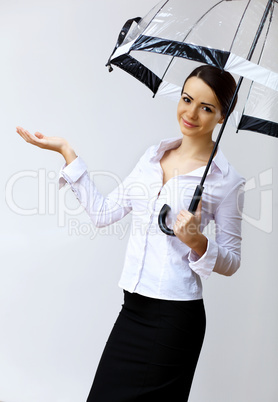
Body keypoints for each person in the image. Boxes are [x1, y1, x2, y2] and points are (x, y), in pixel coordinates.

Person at [16, 65, 245, 401]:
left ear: (221, 117)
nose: (191, 113)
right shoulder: (152, 158)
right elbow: (103, 213)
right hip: (133, 311)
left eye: (207, 108)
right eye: (186, 99)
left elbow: (233, 260)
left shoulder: (226, 181)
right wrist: (67, 152)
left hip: (175, 321)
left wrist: (198, 241)